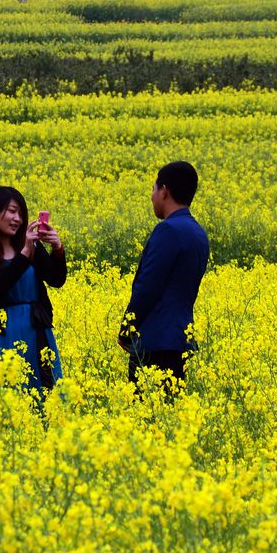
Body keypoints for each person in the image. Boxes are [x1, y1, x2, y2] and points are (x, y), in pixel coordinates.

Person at [0, 186, 65, 392]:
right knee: (6, 397)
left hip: (37, 330)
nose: (17, 218)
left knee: (45, 393)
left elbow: (56, 279)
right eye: (11, 211)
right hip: (3, 334)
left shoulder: (31, 247)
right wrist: (24, 255)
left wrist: (57, 249)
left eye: (20, 213)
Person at [119, 161, 209, 387]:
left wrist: (127, 328)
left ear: (164, 191)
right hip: (180, 340)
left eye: (153, 189)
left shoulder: (168, 230)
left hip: (154, 342)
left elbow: (148, 286)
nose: (152, 196)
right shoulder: (198, 233)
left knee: (144, 415)